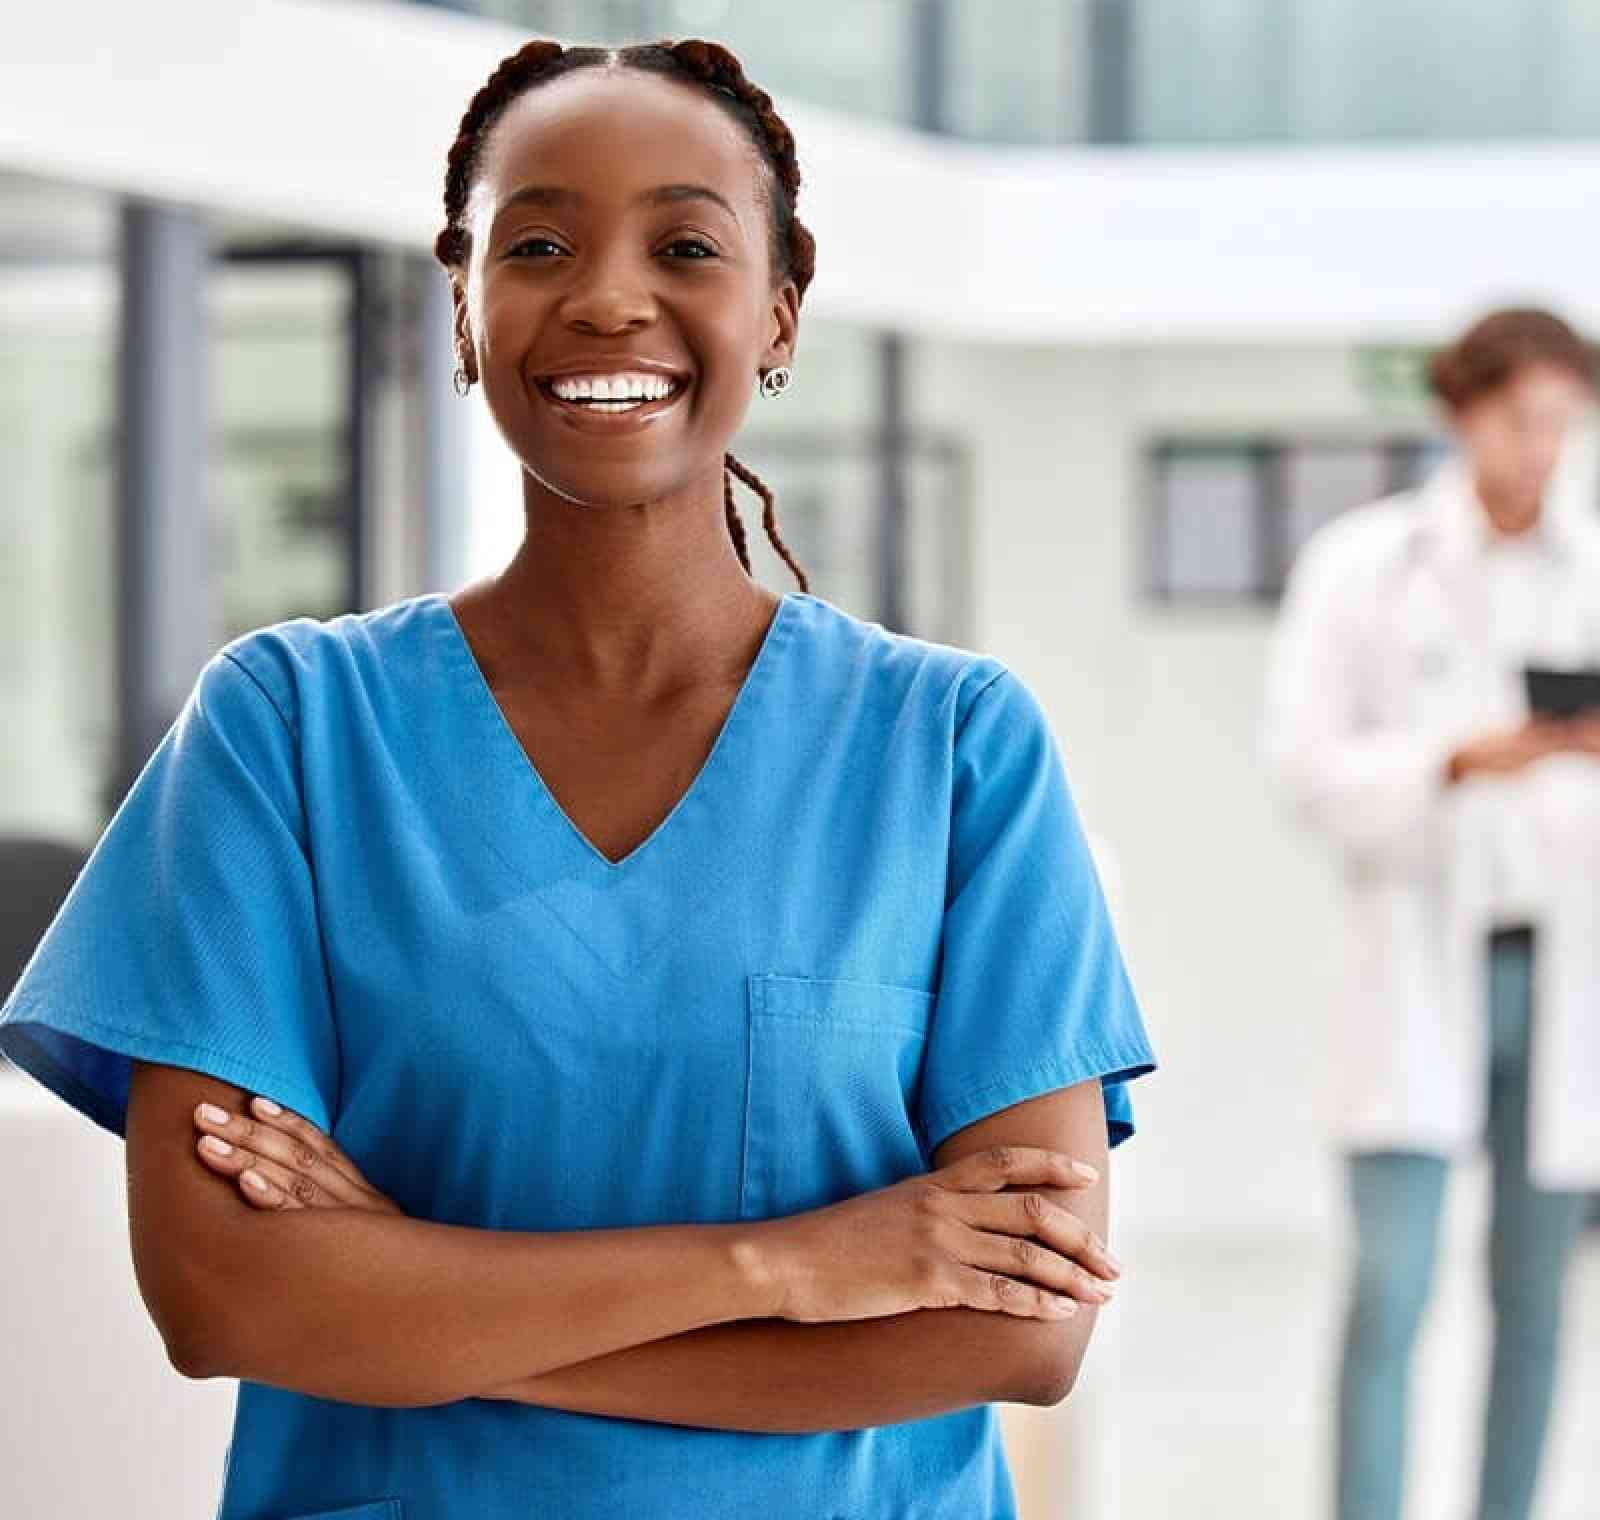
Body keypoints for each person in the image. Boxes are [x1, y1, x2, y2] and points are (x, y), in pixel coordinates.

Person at [0, 37, 1157, 1520]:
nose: (609, 297)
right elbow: (227, 1297)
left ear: (781, 307)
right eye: (537, 243)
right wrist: (796, 1265)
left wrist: (419, 1309)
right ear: (466, 307)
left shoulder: (953, 749)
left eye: (686, 244)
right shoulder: (287, 728)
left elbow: (1023, 1325)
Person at [1261, 307, 1600, 1520]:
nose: (1544, 449)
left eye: (1566, 424)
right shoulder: (1365, 565)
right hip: (1415, 965)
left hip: (1563, 974)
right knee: (1390, 1290)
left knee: (1536, 1300)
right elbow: (1303, 766)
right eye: (1522, 421)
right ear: (1462, 411)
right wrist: (1457, 763)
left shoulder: (1593, 565)